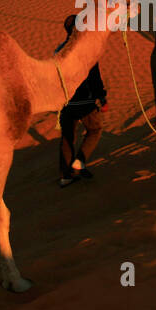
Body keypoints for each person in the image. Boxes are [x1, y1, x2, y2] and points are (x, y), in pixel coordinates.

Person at [56, 14, 106, 188]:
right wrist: (102, 97)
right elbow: (94, 77)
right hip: (84, 101)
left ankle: (65, 176)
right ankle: (79, 162)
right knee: (95, 129)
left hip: (66, 103)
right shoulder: (87, 51)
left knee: (67, 137)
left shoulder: (60, 50)